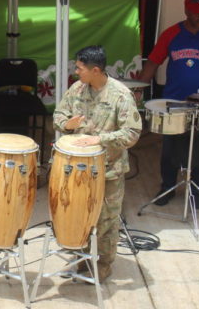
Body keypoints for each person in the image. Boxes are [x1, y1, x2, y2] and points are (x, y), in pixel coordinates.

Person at [139, 0, 199, 209]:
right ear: (186, 11)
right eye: (196, 11)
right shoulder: (171, 34)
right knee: (170, 146)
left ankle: (196, 189)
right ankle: (167, 187)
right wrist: (139, 89)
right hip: (174, 100)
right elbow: (153, 62)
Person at [54, 45, 141, 281]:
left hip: (108, 171)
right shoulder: (77, 89)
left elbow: (132, 134)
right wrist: (66, 124)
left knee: (105, 222)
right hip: (78, 171)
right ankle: (82, 260)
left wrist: (100, 139)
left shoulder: (120, 95)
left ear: (95, 70)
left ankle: (102, 267)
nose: (76, 71)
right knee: (80, 215)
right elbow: (58, 116)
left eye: (79, 68)